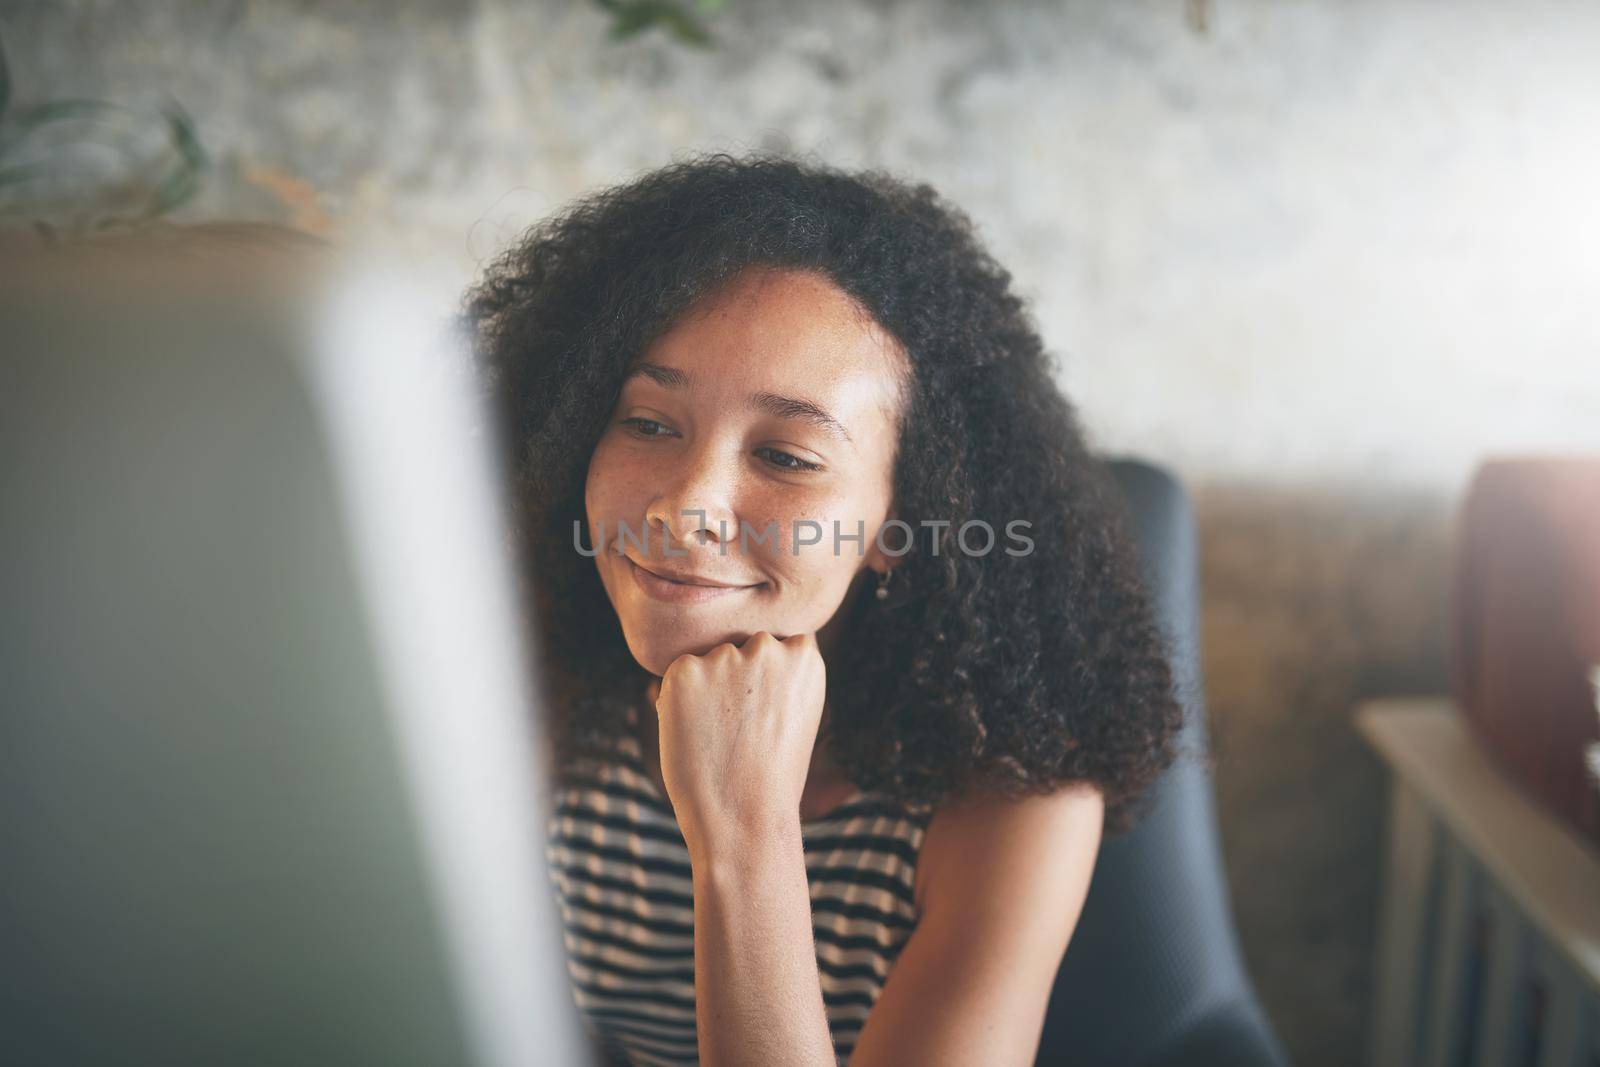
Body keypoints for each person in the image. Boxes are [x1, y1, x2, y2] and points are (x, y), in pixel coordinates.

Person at [464, 152, 1183, 1067]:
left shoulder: (1010, 801)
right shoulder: (533, 674)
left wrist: (745, 830)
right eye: (648, 423)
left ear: (902, 521)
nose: (686, 508)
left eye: (788, 457)